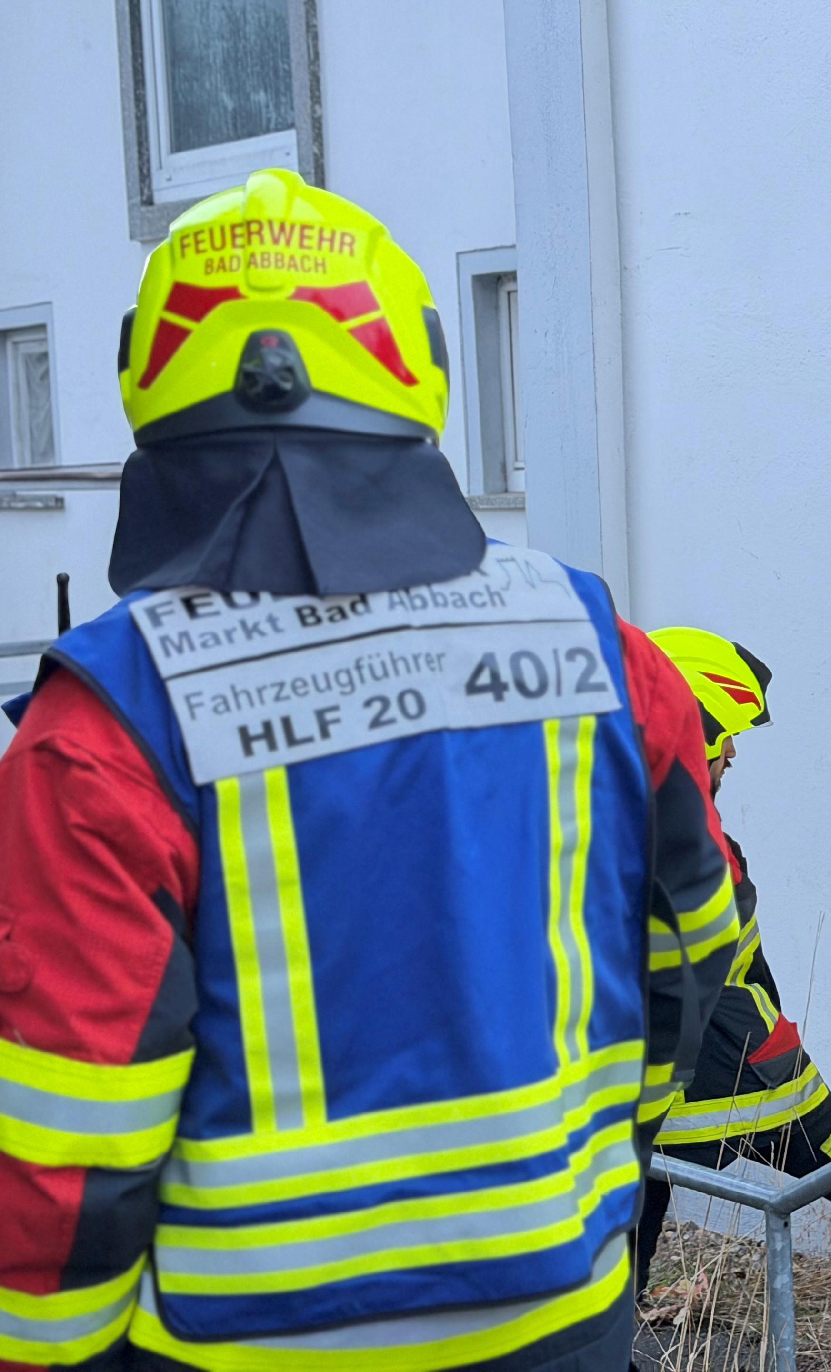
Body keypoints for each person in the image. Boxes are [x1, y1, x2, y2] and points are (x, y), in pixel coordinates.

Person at [0, 169, 737, 1372]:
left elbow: (66, 1140)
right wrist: (594, 1184)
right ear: (418, 366)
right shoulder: (603, 649)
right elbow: (693, 951)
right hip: (562, 1320)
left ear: (152, 377)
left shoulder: (106, 721)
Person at [631, 630, 831, 1297]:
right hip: (745, 1072)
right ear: (692, 731)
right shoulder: (691, 841)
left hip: (631, 1097)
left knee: (621, 1245)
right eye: (725, 736)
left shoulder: (593, 823)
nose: (733, 752)